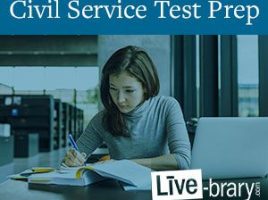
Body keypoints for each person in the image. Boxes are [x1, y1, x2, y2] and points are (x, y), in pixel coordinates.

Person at [62, 45, 191, 170]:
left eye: (129, 91)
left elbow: (182, 160)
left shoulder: (167, 107)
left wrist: (123, 164)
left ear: (145, 86)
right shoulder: (102, 119)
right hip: (121, 190)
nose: (119, 99)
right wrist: (71, 161)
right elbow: (68, 164)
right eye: (113, 89)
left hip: (160, 187)